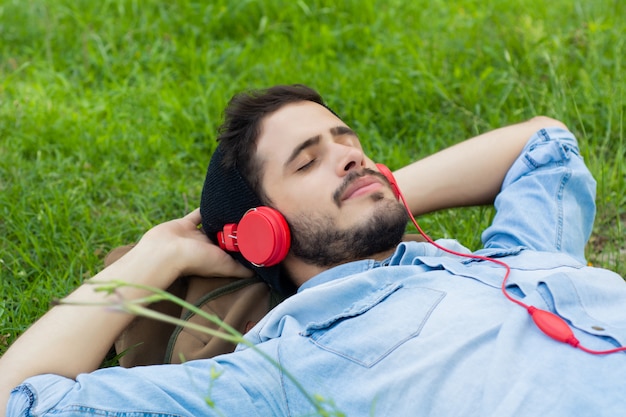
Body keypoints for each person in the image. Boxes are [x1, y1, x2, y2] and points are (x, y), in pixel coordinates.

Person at [2, 84, 626, 416]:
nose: (350, 154)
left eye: (345, 140)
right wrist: (156, 255)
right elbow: (16, 400)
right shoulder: (290, 371)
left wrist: (373, 193)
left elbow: (545, 144)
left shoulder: (506, 256)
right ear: (263, 230)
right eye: (308, 162)